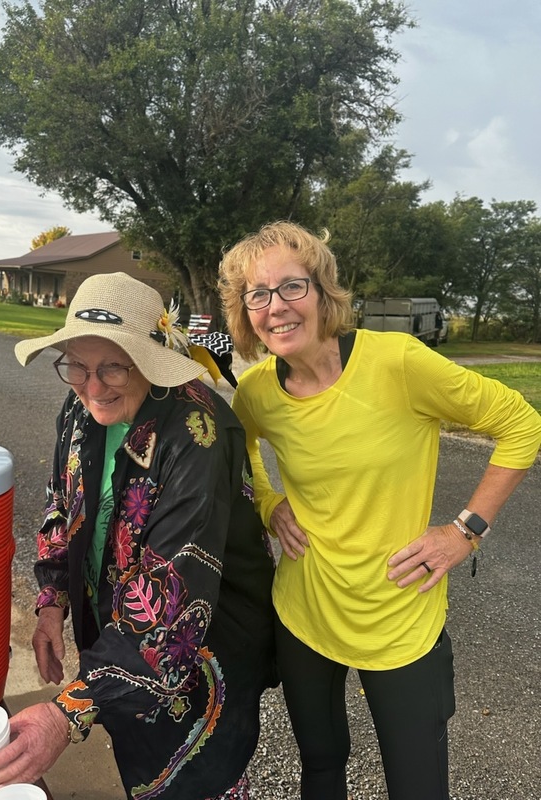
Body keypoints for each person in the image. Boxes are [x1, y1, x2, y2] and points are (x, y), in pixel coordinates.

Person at [217, 221, 541, 800]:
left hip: (401, 619)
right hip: (304, 613)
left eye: (292, 286)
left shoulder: (398, 363)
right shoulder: (257, 392)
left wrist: (464, 531)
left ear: (322, 291)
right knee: (320, 766)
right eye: (257, 295)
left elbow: (521, 425)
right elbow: (240, 453)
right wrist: (268, 503)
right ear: (245, 312)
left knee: (417, 786)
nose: (276, 307)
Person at [0, 272, 277, 800]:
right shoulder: (79, 407)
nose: (92, 387)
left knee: (197, 778)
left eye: (112, 367)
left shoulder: (197, 432)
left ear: (149, 361)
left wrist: (66, 713)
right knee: (136, 761)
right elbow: (60, 500)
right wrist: (51, 601)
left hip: (202, 649)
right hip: (115, 630)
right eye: (76, 364)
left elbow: (173, 600)